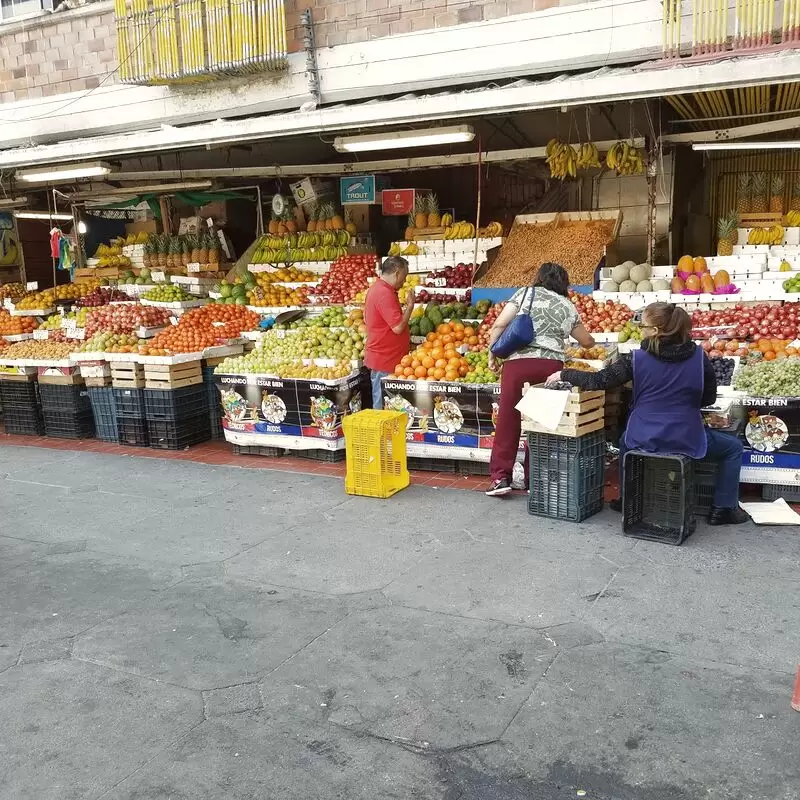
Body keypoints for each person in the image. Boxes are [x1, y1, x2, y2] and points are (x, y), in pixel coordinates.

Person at [548, 302, 748, 526]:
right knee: (733, 448)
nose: (640, 329)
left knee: (625, 440)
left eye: (643, 325)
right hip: (686, 437)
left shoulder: (636, 359)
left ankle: (627, 499)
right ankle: (723, 508)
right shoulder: (699, 358)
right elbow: (708, 399)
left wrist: (564, 373)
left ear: (654, 331)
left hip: (642, 438)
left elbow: (599, 381)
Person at [485, 262, 596, 496]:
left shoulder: (526, 294)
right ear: (564, 283)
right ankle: (534, 479)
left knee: (508, 419)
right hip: (550, 367)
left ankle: (500, 478)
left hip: (518, 364)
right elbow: (585, 341)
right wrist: (592, 343)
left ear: (539, 278)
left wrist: (492, 352)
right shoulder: (567, 305)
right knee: (540, 423)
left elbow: (499, 324)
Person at [364, 255, 415, 409]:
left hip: (388, 358)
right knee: (382, 406)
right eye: (404, 277)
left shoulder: (382, 289)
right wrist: (410, 306)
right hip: (384, 360)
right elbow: (398, 327)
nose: (404, 281)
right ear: (397, 273)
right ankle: (380, 432)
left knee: (390, 405)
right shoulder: (383, 293)